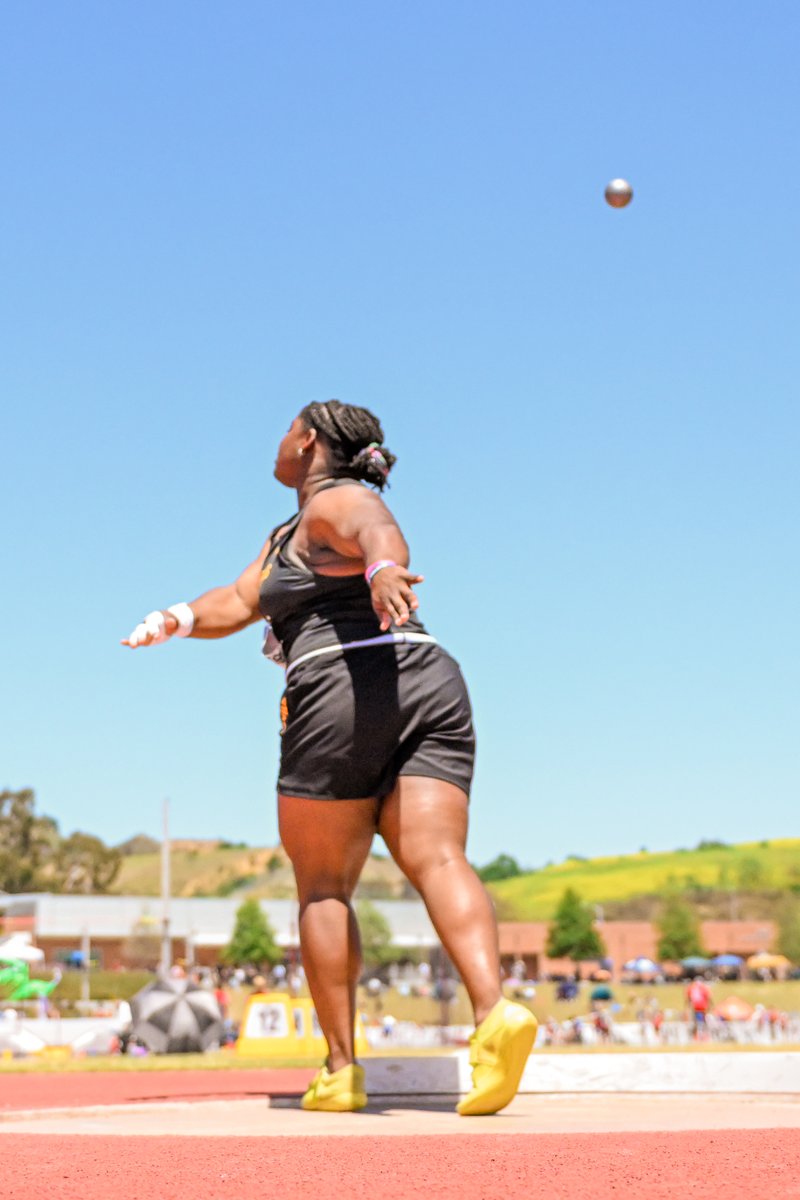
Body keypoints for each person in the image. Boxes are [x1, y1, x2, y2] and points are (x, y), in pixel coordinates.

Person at [122, 399, 536, 1115]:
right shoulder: (289, 532)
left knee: (323, 888)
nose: (277, 440)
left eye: (286, 429)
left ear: (308, 440)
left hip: (342, 682)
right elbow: (240, 598)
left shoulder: (334, 501)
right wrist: (177, 619)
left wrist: (381, 567)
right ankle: (495, 1015)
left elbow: (375, 529)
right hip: (427, 679)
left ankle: (342, 1068)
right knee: (439, 859)